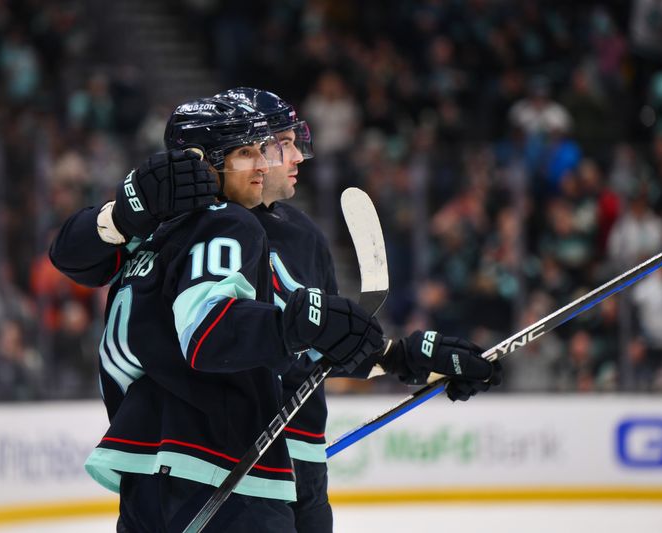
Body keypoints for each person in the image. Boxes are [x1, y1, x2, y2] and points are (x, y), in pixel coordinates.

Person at [51, 90, 502, 532]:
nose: (293, 157)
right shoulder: (192, 224)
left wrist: (406, 358)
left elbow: (316, 345)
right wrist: (124, 212)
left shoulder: (300, 234)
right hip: (221, 459)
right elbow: (79, 259)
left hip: (281, 461)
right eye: (275, 145)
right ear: (210, 160)